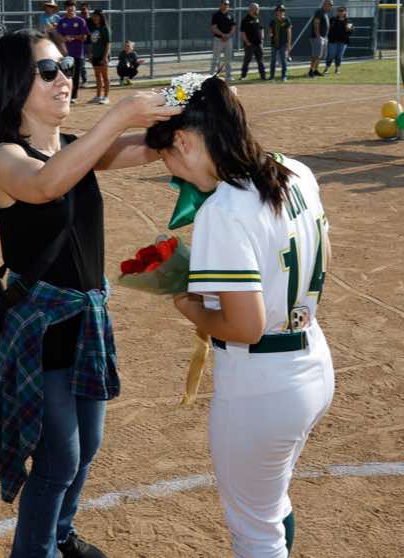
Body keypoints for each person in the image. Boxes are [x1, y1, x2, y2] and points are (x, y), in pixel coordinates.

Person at [0, 29, 180, 558]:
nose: (63, 78)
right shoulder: (5, 157)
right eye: (48, 71)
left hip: (84, 322)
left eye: (65, 67)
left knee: (87, 447)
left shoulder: (72, 148)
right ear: (14, 84)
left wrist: (191, 102)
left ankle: (60, 536)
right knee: (58, 460)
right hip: (41, 330)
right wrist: (121, 114)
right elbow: (47, 184)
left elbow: (147, 148)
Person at [144, 75, 334, 558]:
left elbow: (245, 326)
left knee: (256, 534)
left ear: (183, 142)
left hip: (261, 383)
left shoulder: (224, 208)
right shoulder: (293, 169)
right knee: (270, 504)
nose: (171, 172)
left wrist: (188, 306)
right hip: (311, 359)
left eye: (166, 157)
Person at [56, 0, 90, 102]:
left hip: (77, 53)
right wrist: (64, 38)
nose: (70, 9)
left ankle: (73, 97)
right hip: (64, 53)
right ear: (65, 9)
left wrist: (73, 37)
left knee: (75, 75)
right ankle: (65, 95)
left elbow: (84, 37)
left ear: (75, 8)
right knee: (64, 76)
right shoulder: (62, 21)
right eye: (68, 7)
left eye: (72, 7)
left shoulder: (80, 21)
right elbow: (58, 36)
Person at [88, 9, 111, 105]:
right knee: (97, 76)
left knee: (105, 77)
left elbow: (108, 44)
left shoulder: (105, 29)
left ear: (101, 17)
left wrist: (104, 57)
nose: (95, 18)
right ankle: (98, 96)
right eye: (93, 16)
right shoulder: (94, 28)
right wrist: (91, 54)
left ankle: (106, 97)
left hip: (103, 56)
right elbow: (92, 43)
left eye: (96, 16)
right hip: (95, 56)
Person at [210, 0, 235, 81]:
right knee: (216, 59)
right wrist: (222, 35)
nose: (226, 5)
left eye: (228, 4)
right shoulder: (216, 15)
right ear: (221, 4)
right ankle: (212, 76)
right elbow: (214, 28)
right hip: (218, 39)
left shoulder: (230, 15)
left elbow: (233, 27)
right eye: (225, 4)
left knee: (228, 59)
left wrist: (228, 35)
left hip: (228, 39)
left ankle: (229, 76)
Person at [240, 3, 266, 81]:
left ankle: (263, 76)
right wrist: (247, 42)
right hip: (249, 44)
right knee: (247, 60)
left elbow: (261, 29)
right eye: (255, 9)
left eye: (258, 9)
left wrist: (262, 39)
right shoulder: (245, 20)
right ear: (250, 9)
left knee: (260, 61)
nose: (257, 10)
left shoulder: (258, 18)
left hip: (258, 44)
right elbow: (242, 32)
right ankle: (243, 76)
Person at [325, 6, 354, 75]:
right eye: (339, 11)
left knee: (339, 56)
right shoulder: (332, 19)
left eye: (342, 11)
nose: (340, 12)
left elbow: (350, 32)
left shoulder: (348, 21)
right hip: (333, 41)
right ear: (337, 12)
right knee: (331, 55)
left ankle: (337, 69)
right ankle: (327, 68)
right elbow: (328, 29)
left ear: (345, 12)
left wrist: (349, 29)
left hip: (343, 41)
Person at [307, 0, 333, 77]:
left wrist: (325, 38)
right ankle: (311, 71)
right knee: (316, 55)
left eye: (332, 5)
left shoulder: (325, 13)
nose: (331, 6)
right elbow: (316, 23)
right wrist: (318, 36)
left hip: (324, 37)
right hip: (317, 38)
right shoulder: (319, 12)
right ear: (324, 5)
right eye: (329, 5)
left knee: (320, 56)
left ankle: (315, 70)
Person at [268, 4, 292, 82]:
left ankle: (284, 76)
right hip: (274, 43)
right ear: (276, 12)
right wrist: (271, 34)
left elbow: (289, 32)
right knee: (273, 60)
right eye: (280, 10)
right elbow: (270, 31)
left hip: (283, 43)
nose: (281, 12)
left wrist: (289, 44)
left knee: (283, 60)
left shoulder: (286, 20)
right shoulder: (273, 21)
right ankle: (272, 76)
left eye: (283, 10)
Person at [79, 2, 92, 88]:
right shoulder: (80, 20)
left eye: (85, 9)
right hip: (81, 44)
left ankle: (101, 80)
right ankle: (85, 81)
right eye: (82, 10)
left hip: (90, 44)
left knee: (95, 62)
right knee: (81, 64)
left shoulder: (92, 20)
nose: (83, 11)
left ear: (88, 10)